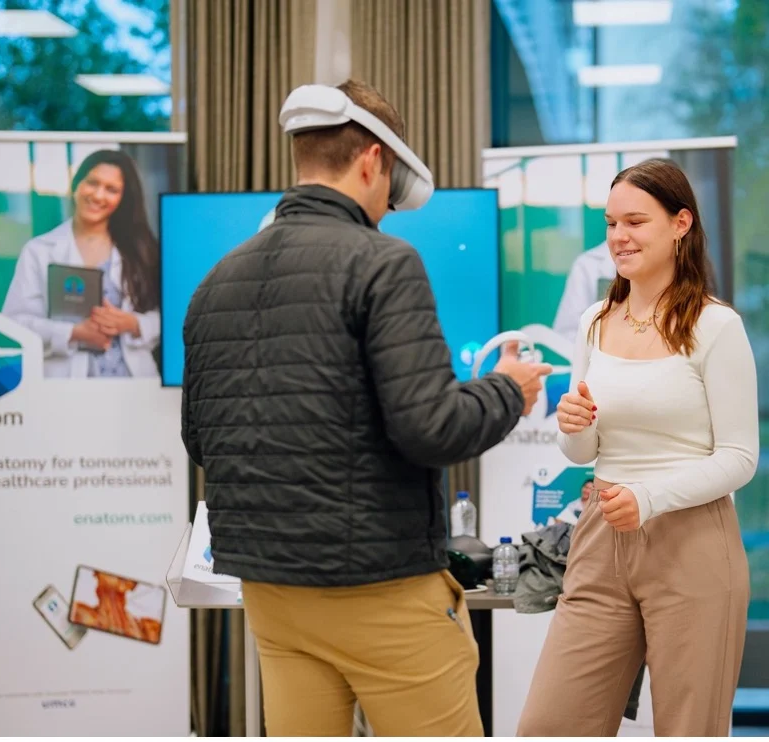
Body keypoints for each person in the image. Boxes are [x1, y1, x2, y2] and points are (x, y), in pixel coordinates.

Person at [180, 79, 552, 737]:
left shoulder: (215, 281)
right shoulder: (383, 263)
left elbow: (203, 443)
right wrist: (508, 391)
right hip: (379, 589)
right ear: (374, 160)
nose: (388, 207)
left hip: (271, 595)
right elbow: (431, 427)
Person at [517, 158, 759, 737]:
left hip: (693, 541)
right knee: (550, 726)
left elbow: (740, 457)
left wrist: (649, 498)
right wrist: (573, 425)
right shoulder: (595, 321)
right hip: (601, 537)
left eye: (634, 221)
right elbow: (581, 451)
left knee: (687, 730)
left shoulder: (716, 326)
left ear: (680, 224)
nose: (618, 238)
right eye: (609, 224)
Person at [1, 149, 161, 378]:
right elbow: (14, 326)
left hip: (134, 385)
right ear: (76, 185)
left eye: (111, 189)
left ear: (123, 198)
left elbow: (170, 320)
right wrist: (72, 333)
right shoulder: (39, 251)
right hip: (65, 387)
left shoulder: (141, 251)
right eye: (92, 183)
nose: (98, 195)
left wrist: (133, 324)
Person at [552, 242, 615, 340]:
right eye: (612, 225)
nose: (619, 236)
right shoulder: (587, 264)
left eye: (634, 225)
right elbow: (567, 334)